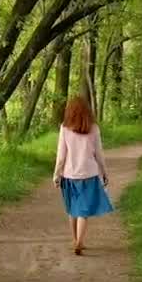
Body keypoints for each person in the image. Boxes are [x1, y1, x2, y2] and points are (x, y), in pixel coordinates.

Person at [53, 96, 111, 256]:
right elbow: (99, 153)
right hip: (89, 175)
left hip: (69, 175)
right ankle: (79, 241)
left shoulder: (65, 128)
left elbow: (61, 155)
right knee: (83, 211)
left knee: (72, 209)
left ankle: (75, 240)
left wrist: (56, 174)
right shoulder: (93, 128)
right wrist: (104, 171)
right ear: (87, 111)